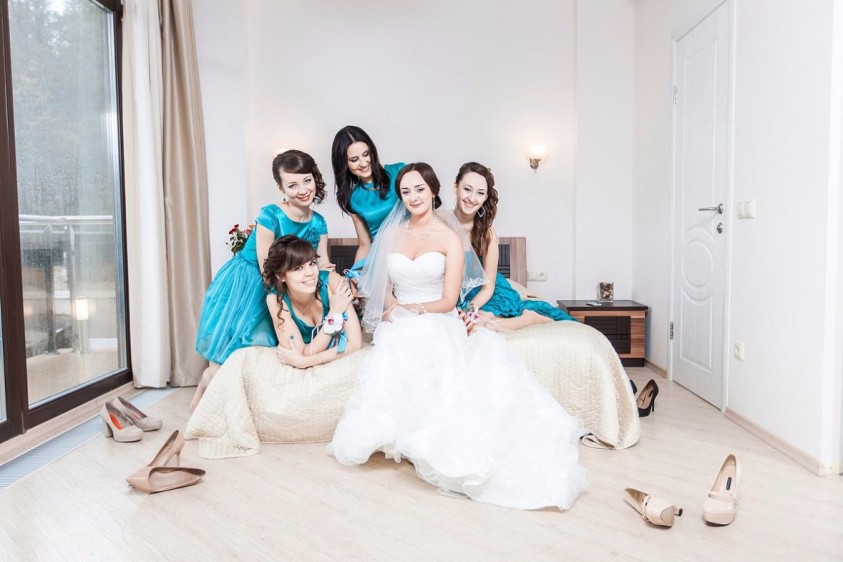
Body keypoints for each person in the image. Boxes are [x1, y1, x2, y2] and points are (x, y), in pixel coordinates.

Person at [329, 162, 588, 511]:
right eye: (406, 191)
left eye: (420, 189)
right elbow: (383, 287)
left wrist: (414, 310)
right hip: (400, 318)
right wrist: (393, 307)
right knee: (394, 348)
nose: (413, 197)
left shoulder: (451, 236)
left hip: (437, 313)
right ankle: (398, 433)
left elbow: (451, 300)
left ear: (434, 191)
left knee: (441, 342)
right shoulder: (390, 235)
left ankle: (431, 433)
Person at [191, 150, 332, 412]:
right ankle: (202, 400)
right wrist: (281, 303)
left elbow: (322, 263)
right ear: (281, 188)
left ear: (315, 178)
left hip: (285, 285)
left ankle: (234, 410)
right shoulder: (271, 214)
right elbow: (267, 267)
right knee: (225, 361)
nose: (303, 190)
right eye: (292, 185)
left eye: (307, 180)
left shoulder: (319, 222)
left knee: (260, 362)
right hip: (249, 282)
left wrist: (334, 282)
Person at [452, 161, 574, 331]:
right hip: (453, 294)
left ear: (485, 197)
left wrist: (469, 310)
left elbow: (488, 288)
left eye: (480, 193)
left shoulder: (487, 234)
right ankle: (517, 319)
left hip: (485, 293)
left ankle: (528, 319)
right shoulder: (439, 225)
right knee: (466, 322)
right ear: (455, 187)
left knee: (480, 321)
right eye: (467, 189)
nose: (472, 198)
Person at [266, 236, 362, 368]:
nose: (310, 273)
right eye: (298, 268)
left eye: (312, 263)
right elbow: (304, 353)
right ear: (281, 276)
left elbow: (355, 343)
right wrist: (334, 314)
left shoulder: (332, 281)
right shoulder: (276, 300)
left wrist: (303, 362)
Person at [331, 125, 405, 271]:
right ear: (344, 164)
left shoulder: (399, 171)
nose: (363, 163)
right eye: (354, 159)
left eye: (366, 154)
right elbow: (365, 245)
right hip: (384, 260)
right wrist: (355, 273)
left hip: (416, 248)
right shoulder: (352, 198)